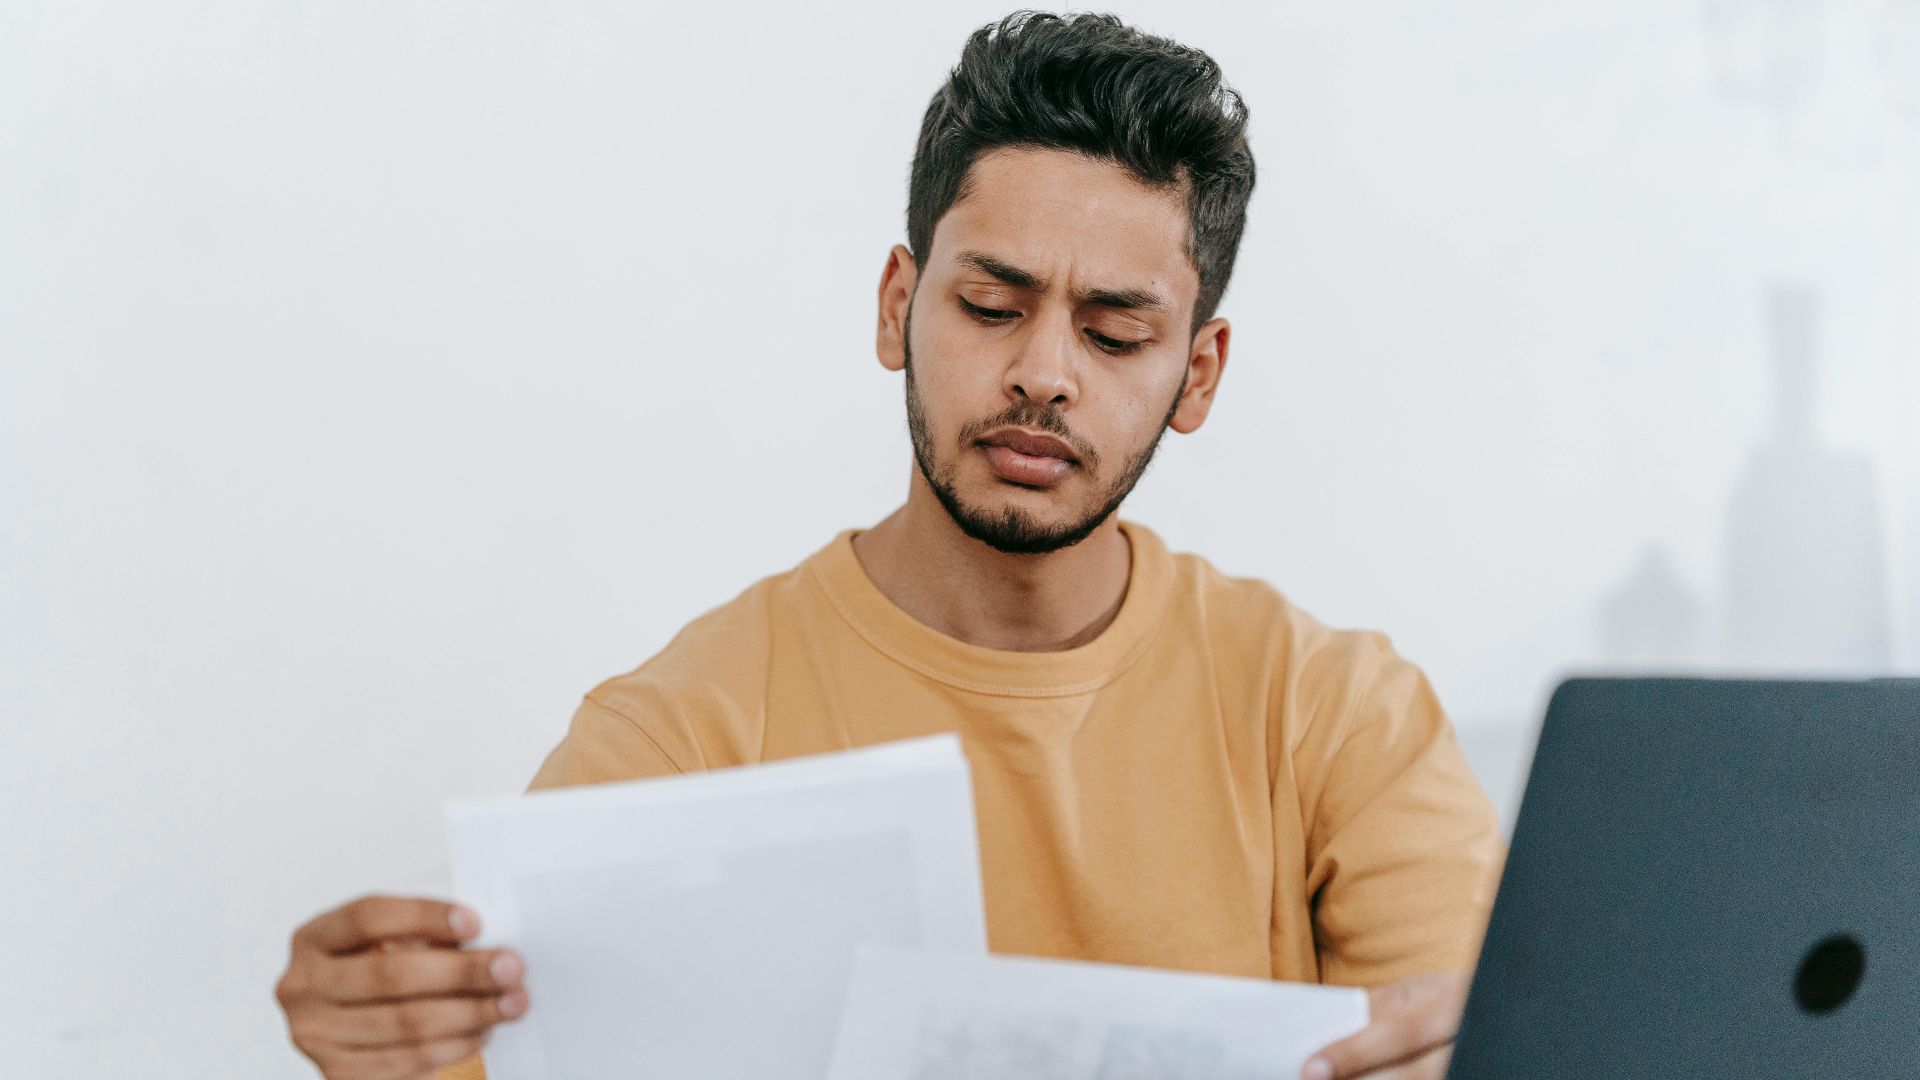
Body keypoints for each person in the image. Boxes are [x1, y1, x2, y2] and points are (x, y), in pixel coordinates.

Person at [272, 11, 1505, 1080]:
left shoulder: (1336, 716)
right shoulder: (687, 736)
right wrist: (381, 1048)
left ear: (1200, 373)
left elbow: (1502, 1042)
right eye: (990, 306)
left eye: (1116, 334)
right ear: (893, 306)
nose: (1042, 376)